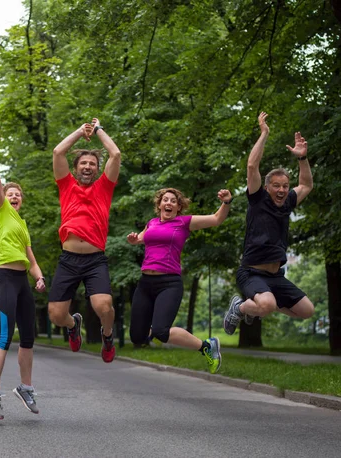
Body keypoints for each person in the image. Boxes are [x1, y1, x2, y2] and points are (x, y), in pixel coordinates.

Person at [224, 112, 314, 334]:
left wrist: (302, 158)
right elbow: (252, 166)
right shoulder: (257, 199)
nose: (282, 190)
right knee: (267, 304)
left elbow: (306, 185)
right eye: (276, 185)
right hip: (251, 273)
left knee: (307, 310)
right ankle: (240, 306)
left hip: (275, 276)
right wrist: (264, 133)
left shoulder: (287, 202)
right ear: (267, 187)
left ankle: (260, 306)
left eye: (285, 186)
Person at [127, 188, 233, 373]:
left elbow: (217, 219)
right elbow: (140, 239)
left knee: (161, 331)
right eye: (165, 200)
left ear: (178, 207)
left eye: (173, 201)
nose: (168, 203)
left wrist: (226, 203)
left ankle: (206, 346)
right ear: (159, 204)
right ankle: (200, 344)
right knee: (137, 336)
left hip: (168, 283)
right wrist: (134, 240)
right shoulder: (151, 223)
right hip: (145, 284)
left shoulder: (184, 222)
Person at [0, 127, 46, 420]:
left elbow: (31, 258)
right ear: (4, 198)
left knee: (29, 337)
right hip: (5, 278)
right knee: (6, 336)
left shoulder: (21, 224)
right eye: (11, 194)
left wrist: (39, 276)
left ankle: (26, 387)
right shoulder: (2, 211)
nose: (14, 197)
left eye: (18, 194)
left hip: (22, 280)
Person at [48, 118, 121, 362]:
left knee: (104, 307)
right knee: (56, 316)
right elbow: (59, 151)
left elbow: (115, 154)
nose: (88, 166)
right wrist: (81, 131)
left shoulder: (105, 187)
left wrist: (98, 129)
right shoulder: (66, 185)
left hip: (94, 260)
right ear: (76, 167)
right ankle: (72, 324)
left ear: (97, 169)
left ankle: (107, 335)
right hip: (68, 260)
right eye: (83, 163)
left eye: (92, 163)